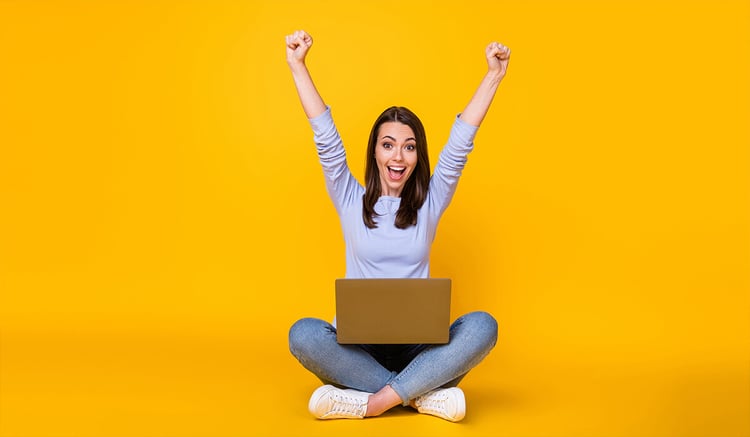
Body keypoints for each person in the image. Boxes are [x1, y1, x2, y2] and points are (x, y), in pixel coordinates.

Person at [285, 29, 511, 422]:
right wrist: (297, 65)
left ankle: (371, 402)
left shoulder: (430, 200)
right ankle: (422, 394)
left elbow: (460, 144)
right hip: (358, 348)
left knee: (483, 326)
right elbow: (325, 137)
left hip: (419, 347)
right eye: (388, 144)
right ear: (374, 151)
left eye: (409, 146)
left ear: (417, 155)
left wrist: (493, 75)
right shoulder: (349, 195)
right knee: (302, 334)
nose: (398, 155)